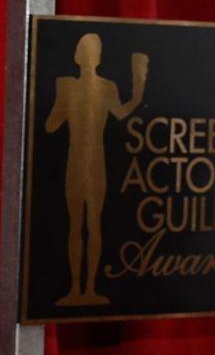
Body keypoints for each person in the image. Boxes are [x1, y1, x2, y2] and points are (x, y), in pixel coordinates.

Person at [45, 32, 147, 306]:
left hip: (94, 165)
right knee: (78, 225)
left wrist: (138, 88)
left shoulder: (106, 88)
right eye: (87, 51)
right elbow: (51, 125)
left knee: (91, 225)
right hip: (76, 164)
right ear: (79, 56)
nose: (90, 56)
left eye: (93, 51)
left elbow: (121, 113)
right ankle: (76, 289)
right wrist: (57, 98)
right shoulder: (67, 87)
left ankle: (88, 289)